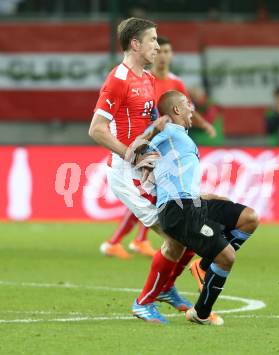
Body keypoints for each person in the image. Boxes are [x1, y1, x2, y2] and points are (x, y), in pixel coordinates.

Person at [89, 17, 193, 323]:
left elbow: (147, 125)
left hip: (151, 169)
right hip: (127, 173)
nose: (158, 47)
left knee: (185, 235)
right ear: (135, 44)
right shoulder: (117, 80)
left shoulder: (147, 79)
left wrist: (163, 128)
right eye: (152, 40)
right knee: (178, 236)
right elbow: (97, 129)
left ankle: (166, 288)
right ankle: (145, 301)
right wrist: (131, 155)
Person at [137, 90, 259, 325]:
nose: (192, 109)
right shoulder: (167, 130)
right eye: (187, 104)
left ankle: (204, 267)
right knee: (227, 257)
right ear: (176, 110)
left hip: (193, 202)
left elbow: (177, 175)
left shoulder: (180, 137)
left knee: (249, 218)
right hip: (178, 210)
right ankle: (201, 313)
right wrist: (153, 129)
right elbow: (137, 149)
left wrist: (205, 196)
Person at [99, 36, 217, 260]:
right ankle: (133, 241)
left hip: (165, 147)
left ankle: (136, 240)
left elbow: (188, 110)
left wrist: (203, 124)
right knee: (152, 199)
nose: (162, 54)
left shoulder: (175, 83)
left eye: (166, 51)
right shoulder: (143, 80)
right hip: (147, 147)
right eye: (159, 49)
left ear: (171, 55)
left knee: (156, 198)